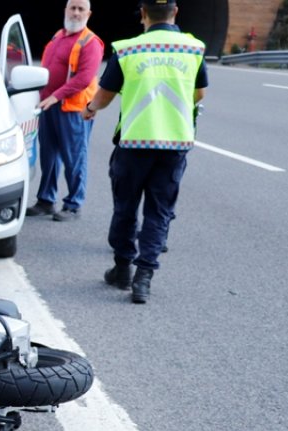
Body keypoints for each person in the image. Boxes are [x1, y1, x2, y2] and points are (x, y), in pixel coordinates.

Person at [83, 0, 207, 303]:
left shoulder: (128, 49)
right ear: (175, 13)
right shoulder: (193, 49)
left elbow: (104, 95)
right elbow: (199, 92)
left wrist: (89, 109)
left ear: (143, 14)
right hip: (174, 144)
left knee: (125, 207)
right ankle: (144, 278)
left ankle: (122, 268)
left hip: (134, 144)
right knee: (159, 211)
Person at [27, 0, 103, 222]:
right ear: (65, 10)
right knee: (49, 156)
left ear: (89, 13)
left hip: (74, 109)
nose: (76, 13)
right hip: (49, 106)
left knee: (74, 157)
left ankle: (73, 204)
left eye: (81, 9)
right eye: (73, 8)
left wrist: (55, 96)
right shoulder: (58, 37)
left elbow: (84, 78)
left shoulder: (91, 42)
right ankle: (46, 200)